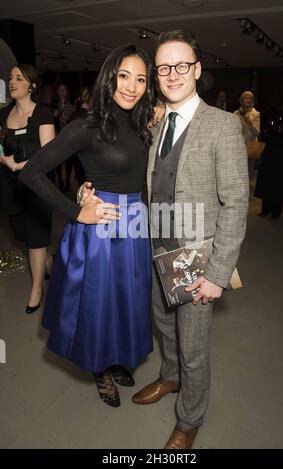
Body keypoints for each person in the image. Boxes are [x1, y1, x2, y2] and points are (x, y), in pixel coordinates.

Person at [130, 30, 249, 449]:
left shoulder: (223, 125)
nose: (173, 74)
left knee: (194, 344)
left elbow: (235, 203)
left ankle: (190, 417)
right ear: (157, 74)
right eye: (164, 67)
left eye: (183, 65)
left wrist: (218, 273)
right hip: (157, 248)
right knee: (164, 325)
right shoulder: (158, 122)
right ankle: (170, 376)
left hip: (199, 259)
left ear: (197, 69)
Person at [19, 44, 155, 408]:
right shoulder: (85, 127)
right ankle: (101, 368)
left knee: (126, 301)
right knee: (99, 305)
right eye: (124, 76)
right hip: (101, 231)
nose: (131, 86)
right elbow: (32, 172)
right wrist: (75, 209)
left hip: (135, 228)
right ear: (109, 78)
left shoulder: (143, 125)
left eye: (140, 79)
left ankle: (115, 357)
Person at [0, 64, 55, 313]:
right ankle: (49, 262)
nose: (12, 81)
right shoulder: (3, 116)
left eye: (18, 78)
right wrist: (5, 160)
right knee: (23, 236)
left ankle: (36, 289)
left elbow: (49, 153)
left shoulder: (42, 113)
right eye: (10, 77)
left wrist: (19, 165)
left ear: (31, 85)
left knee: (35, 240)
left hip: (37, 185)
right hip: (11, 186)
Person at [255, 114, 283, 218]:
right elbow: (264, 136)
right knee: (267, 181)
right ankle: (265, 209)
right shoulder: (272, 118)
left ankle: (276, 211)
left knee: (280, 183)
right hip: (271, 154)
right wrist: (269, 132)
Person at [234, 91, 260, 180]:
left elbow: (257, 132)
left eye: (250, 98)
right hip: (238, 144)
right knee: (237, 168)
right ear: (241, 100)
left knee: (249, 170)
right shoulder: (235, 114)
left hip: (250, 144)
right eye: (246, 98)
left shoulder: (256, 114)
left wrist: (250, 124)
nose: (248, 100)